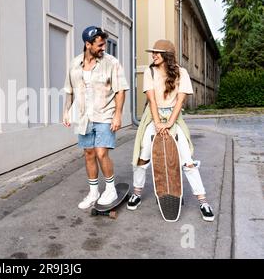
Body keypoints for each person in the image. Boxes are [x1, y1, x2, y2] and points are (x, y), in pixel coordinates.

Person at [127, 39, 215, 222]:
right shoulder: (149, 71)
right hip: (153, 117)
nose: (153, 55)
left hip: (174, 118)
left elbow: (180, 101)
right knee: (143, 155)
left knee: (187, 160)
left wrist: (169, 124)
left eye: (157, 53)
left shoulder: (181, 72)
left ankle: (203, 201)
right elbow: (151, 101)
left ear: (167, 55)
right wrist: (158, 124)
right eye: (153, 52)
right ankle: (136, 193)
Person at [62, 26, 129, 209]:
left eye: (104, 44)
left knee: (101, 153)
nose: (103, 48)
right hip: (85, 117)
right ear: (88, 44)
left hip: (105, 114)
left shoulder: (111, 62)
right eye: (99, 45)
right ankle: (93, 192)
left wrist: (118, 115)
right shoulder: (75, 64)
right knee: (89, 154)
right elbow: (70, 90)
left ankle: (110, 189)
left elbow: (120, 90)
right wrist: (66, 111)